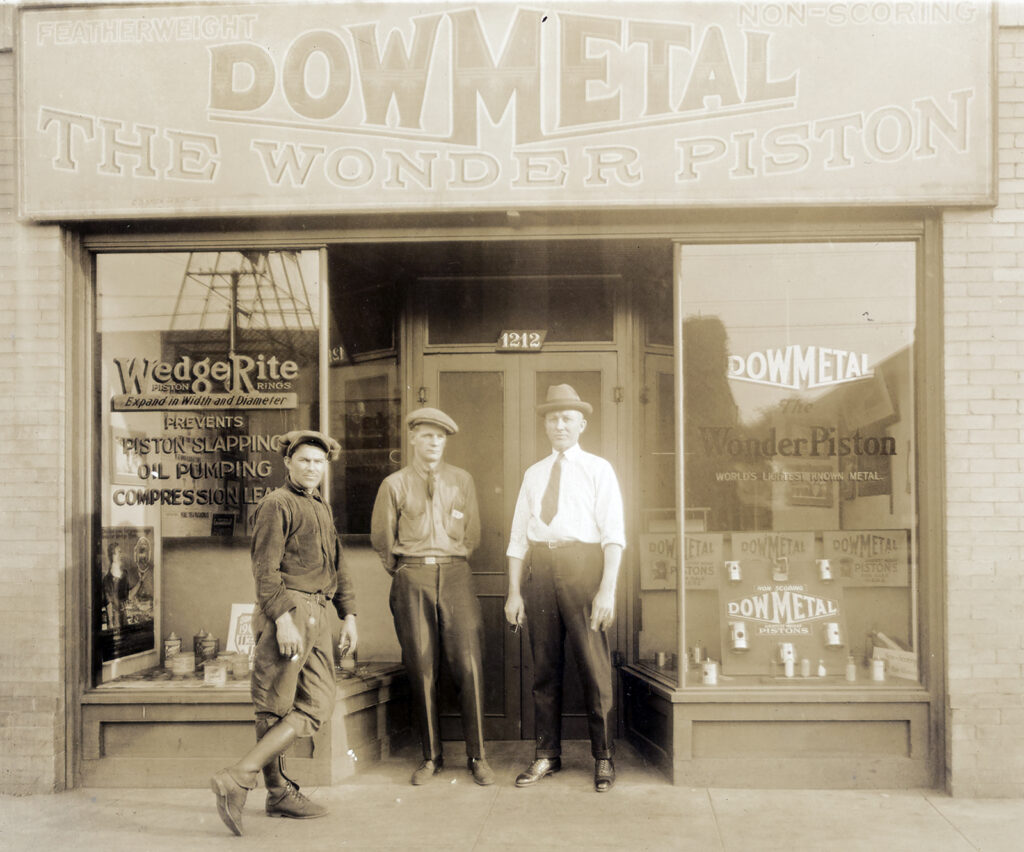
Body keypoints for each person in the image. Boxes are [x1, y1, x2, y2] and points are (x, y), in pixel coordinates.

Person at [211, 430, 357, 836]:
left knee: (316, 703)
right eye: (305, 460)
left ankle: (241, 775)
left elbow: (339, 565)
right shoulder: (276, 504)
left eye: (319, 462)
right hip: (290, 612)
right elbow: (265, 570)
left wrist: (351, 615)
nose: (312, 468)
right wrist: (282, 618)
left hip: (318, 613)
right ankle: (273, 791)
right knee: (274, 705)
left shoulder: (319, 505)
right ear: (288, 464)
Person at [504, 384, 625, 793]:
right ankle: (546, 755)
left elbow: (614, 534)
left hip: (583, 567)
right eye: (552, 418)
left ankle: (603, 758)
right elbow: (518, 537)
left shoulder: (598, 468)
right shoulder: (534, 474)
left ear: (581, 424)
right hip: (541, 568)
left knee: (593, 666)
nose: (559, 424)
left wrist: (607, 589)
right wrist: (514, 592)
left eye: (567, 418)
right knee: (544, 668)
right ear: (545, 424)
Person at [370, 407, 494, 787]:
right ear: (413, 439)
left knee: (468, 664)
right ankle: (431, 757)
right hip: (413, 575)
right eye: (426, 435)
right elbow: (382, 539)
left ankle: (478, 756)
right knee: (422, 666)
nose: (434, 442)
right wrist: (408, 569)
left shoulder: (462, 481)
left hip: (455, 574)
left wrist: (449, 560)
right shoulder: (395, 484)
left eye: (440, 437)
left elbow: (472, 533)